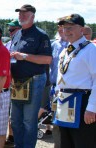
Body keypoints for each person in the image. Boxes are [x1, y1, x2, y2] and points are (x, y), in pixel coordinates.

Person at [10, 4, 52, 147]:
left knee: (29, 121)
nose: (21, 16)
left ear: (32, 16)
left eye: (24, 13)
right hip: (17, 82)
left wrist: (25, 56)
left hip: (34, 80)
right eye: (19, 13)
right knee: (15, 119)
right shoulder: (17, 34)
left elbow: (47, 59)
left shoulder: (41, 35)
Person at [54, 13, 96, 148]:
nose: (67, 31)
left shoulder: (91, 50)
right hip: (65, 101)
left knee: (83, 142)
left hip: (82, 102)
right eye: (64, 28)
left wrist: (92, 108)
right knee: (65, 143)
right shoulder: (66, 51)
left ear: (82, 29)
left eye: (71, 27)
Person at [48, 21, 69, 148]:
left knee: (68, 121)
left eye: (64, 27)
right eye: (59, 27)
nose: (61, 29)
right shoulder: (54, 45)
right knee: (56, 120)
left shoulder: (74, 46)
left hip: (70, 90)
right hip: (54, 89)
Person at [4, 19, 21, 145]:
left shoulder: (22, 43)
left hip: (20, 81)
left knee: (16, 111)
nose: (10, 32)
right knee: (10, 110)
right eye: (9, 29)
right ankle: (11, 135)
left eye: (13, 29)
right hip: (9, 81)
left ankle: (15, 136)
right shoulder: (8, 44)